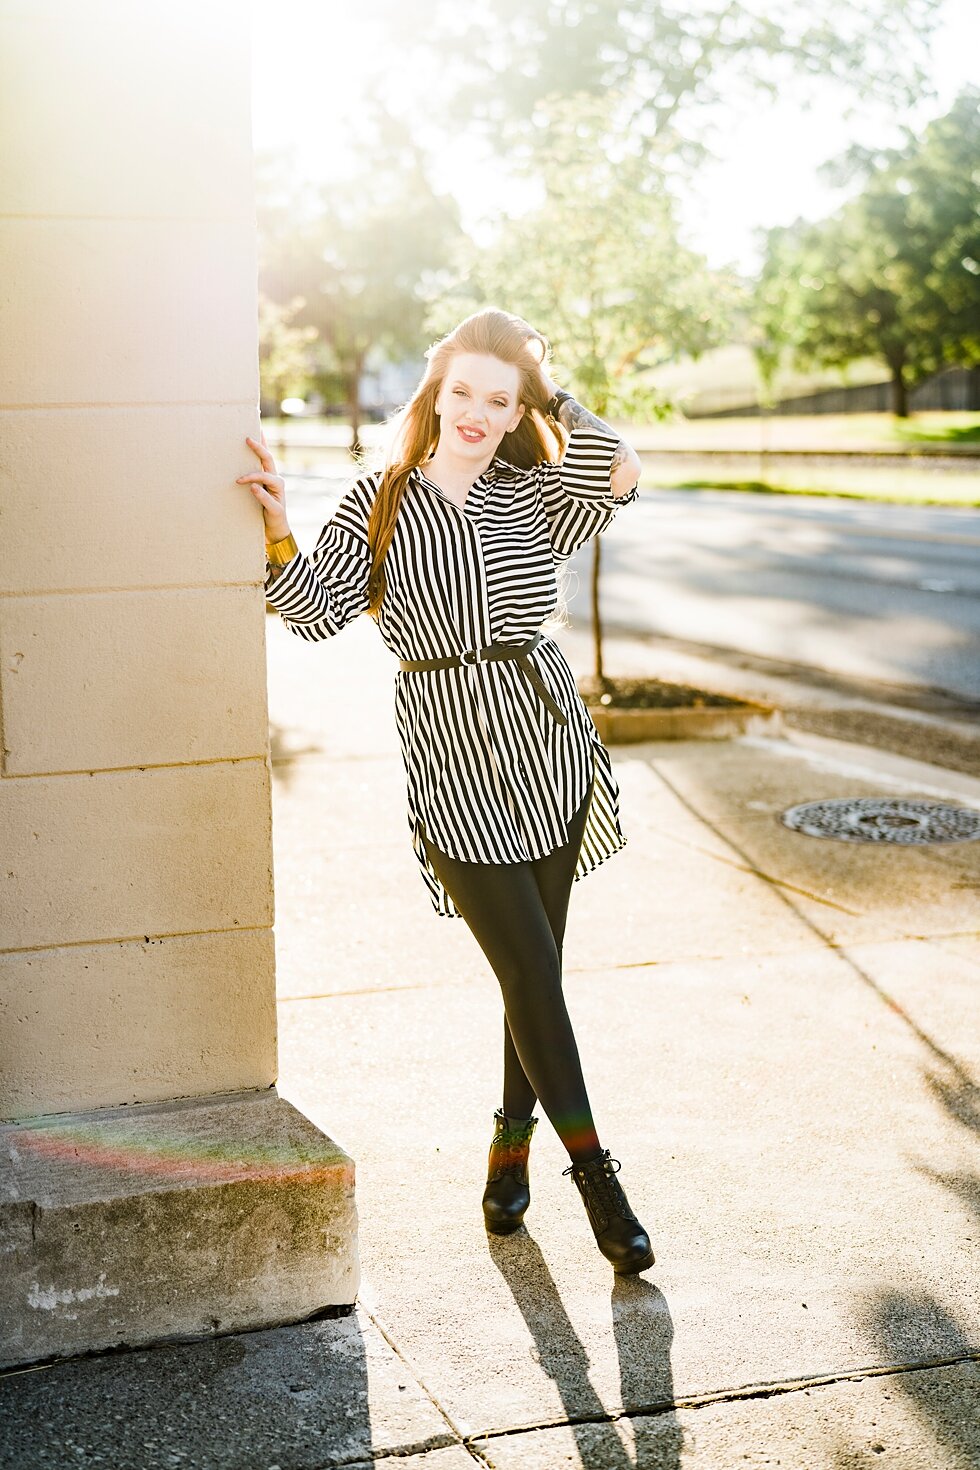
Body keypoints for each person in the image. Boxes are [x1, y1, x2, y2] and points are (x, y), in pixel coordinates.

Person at [239, 308, 655, 1275]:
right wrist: (274, 533)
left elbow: (623, 471)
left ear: (518, 412)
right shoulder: (378, 501)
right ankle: (597, 1177)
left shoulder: (537, 489)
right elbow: (310, 612)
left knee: (534, 971)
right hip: (451, 755)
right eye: (462, 390)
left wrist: (549, 392)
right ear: (436, 394)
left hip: (551, 747)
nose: (476, 411)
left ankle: (511, 1143)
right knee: (530, 971)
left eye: (498, 399)